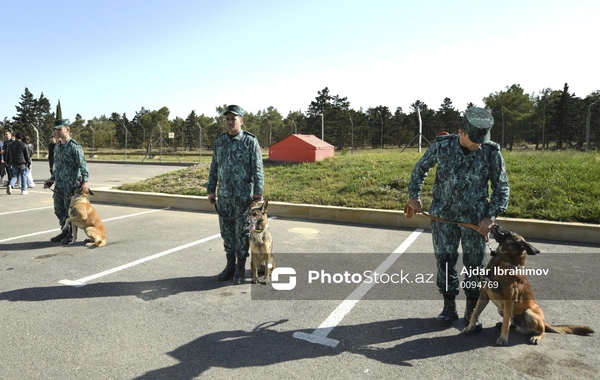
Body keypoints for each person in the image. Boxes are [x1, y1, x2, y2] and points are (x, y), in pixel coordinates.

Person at [406, 107, 510, 329]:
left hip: (475, 223)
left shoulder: (491, 152)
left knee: (475, 266)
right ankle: (448, 306)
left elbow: (501, 188)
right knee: (444, 263)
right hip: (443, 218)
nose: (477, 144)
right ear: (461, 132)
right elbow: (420, 169)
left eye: (481, 140)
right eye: (473, 139)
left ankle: (472, 311)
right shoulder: (442, 146)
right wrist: (414, 197)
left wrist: (490, 217)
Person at [207, 105, 264, 285]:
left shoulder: (250, 141)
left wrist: (258, 193)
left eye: (234, 118)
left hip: (243, 198)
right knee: (227, 233)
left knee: (242, 234)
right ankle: (229, 266)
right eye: (228, 119)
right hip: (224, 197)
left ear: (241, 120)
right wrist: (211, 190)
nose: (230, 122)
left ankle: (240, 267)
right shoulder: (220, 142)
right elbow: (214, 167)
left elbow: (258, 168)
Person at [44, 119, 90, 244]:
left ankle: (70, 234)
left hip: (71, 186)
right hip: (59, 185)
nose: (58, 131)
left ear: (67, 129)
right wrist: (51, 180)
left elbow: (83, 165)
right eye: (56, 129)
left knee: (70, 211)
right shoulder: (57, 146)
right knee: (59, 209)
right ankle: (64, 231)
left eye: (60, 129)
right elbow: (57, 167)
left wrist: (85, 181)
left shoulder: (74, 146)